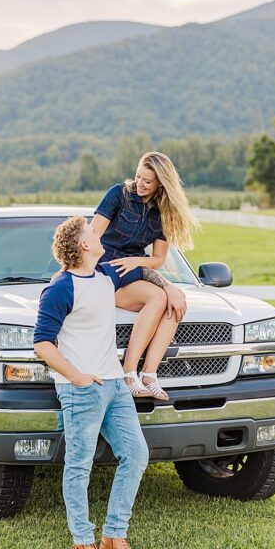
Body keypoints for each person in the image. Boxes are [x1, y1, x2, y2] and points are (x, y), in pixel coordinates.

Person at [34, 216, 176, 549]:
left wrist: (169, 288)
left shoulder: (105, 276)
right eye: (91, 233)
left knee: (136, 454)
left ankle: (113, 538)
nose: (98, 235)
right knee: (79, 467)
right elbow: (42, 344)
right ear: (83, 246)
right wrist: (78, 377)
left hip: (114, 384)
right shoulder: (60, 288)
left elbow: (144, 272)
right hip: (82, 388)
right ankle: (83, 546)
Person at [92, 151, 197, 400]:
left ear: (160, 183)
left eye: (147, 181)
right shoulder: (118, 194)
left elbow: (158, 260)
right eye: (138, 176)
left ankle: (149, 375)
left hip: (133, 270)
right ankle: (129, 373)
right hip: (105, 269)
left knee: (174, 302)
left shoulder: (162, 213)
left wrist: (135, 261)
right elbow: (92, 236)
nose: (140, 183)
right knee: (159, 298)